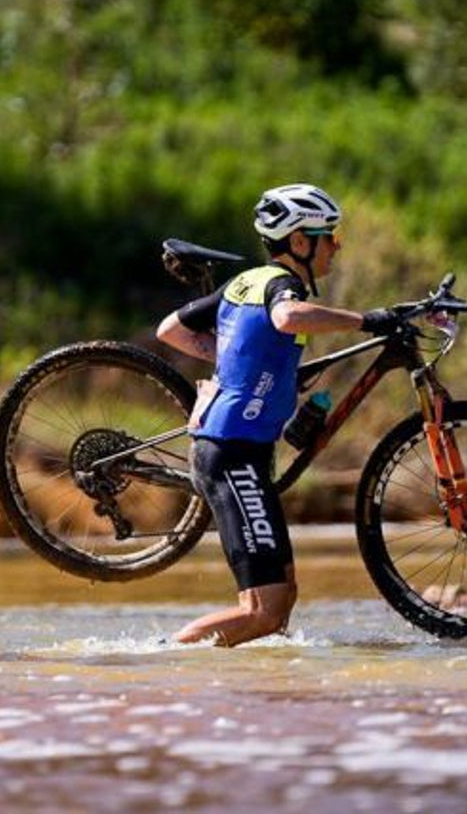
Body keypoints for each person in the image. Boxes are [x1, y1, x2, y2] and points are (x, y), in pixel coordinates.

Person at [156, 183, 398, 647]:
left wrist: (237, 365)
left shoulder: (247, 282)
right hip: (231, 454)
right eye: (330, 236)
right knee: (263, 611)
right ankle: (165, 662)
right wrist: (366, 320)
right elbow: (288, 318)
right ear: (301, 242)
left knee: (281, 602)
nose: (337, 246)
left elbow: (170, 330)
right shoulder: (283, 287)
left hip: (240, 452)